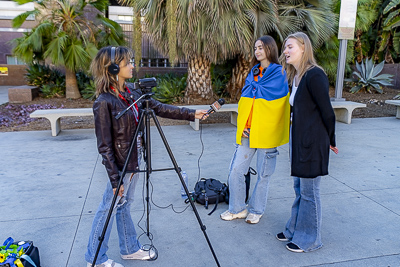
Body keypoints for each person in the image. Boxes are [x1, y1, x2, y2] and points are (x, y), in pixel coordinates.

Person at [85, 46, 208, 267]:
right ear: (113, 67)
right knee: (109, 207)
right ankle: (95, 259)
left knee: (124, 205)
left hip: (134, 160)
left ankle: (130, 249)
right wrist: (115, 180)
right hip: (121, 166)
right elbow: (104, 146)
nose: (133, 66)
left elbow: (158, 107)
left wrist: (191, 113)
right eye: (128, 62)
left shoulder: (132, 91)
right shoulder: (104, 101)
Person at [276, 32, 339, 253]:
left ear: (304, 48)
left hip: (313, 141)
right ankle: (294, 229)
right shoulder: (296, 77)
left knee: (310, 191)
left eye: (290, 47)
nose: (285, 51)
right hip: (299, 138)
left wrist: (330, 140)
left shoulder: (315, 75)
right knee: (299, 187)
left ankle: (310, 239)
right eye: (285, 48)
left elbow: (327, 113)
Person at [220, 35, 290, 224]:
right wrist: (242, 125)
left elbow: (279, 106)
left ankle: (256, 210)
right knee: (236, 170)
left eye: (261, 48)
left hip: (267, 133)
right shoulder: (253, 73)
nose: (257, 51)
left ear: (270, 49)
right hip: (248, 132)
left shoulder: (279, 73)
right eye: (255, 48)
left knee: (263, 173)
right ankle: (237, 208)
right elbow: (246, 102)